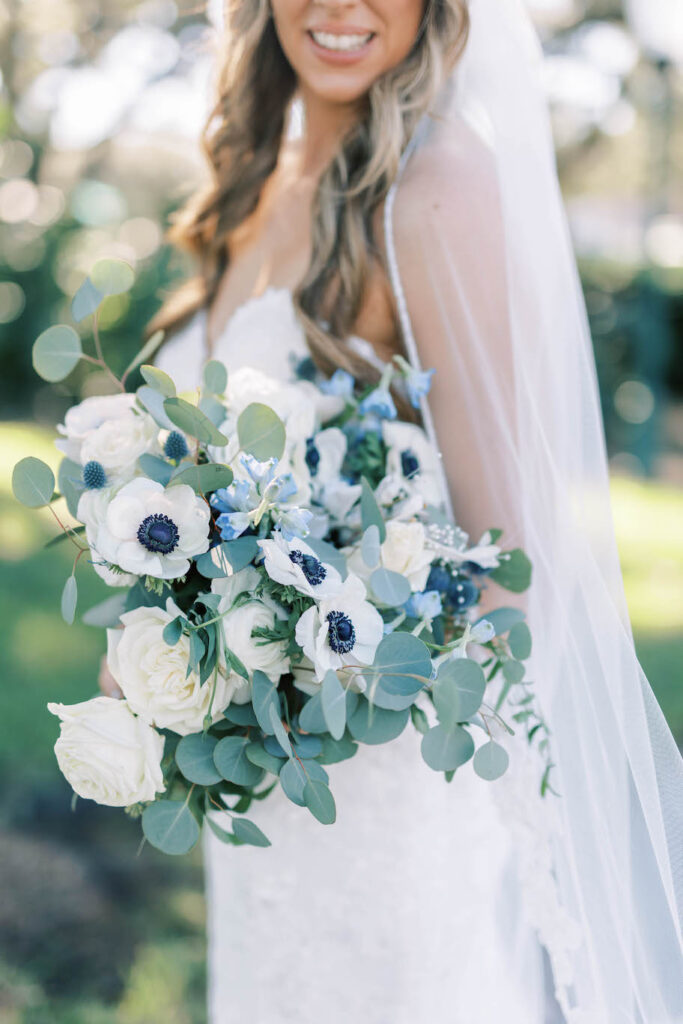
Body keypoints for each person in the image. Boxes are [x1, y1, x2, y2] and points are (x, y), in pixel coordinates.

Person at [104, 0, 683, 1020]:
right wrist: (170, 633)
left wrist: (342, 669)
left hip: (383, 783)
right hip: (265, 780)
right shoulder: (258, 180)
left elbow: (505, 557)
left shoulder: (437, 187)